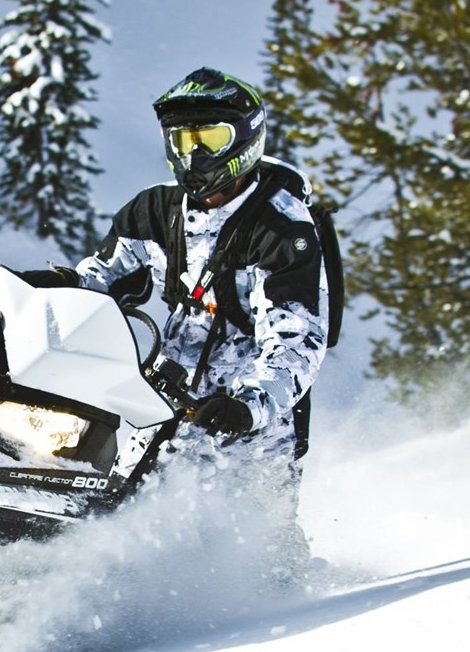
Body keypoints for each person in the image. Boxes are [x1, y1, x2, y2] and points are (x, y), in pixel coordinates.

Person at [18, 67, 331, 576]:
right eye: (184, 140)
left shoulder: (281, 229)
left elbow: (297, 339)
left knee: (257, 552)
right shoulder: (156, 210)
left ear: (245, 139)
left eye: (210, 139)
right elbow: (103, 274)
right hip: (166, 399)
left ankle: (296, 598)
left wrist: (248, 407)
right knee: (122, 514)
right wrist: (60, 286)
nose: (195, 155)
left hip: (251, 423)